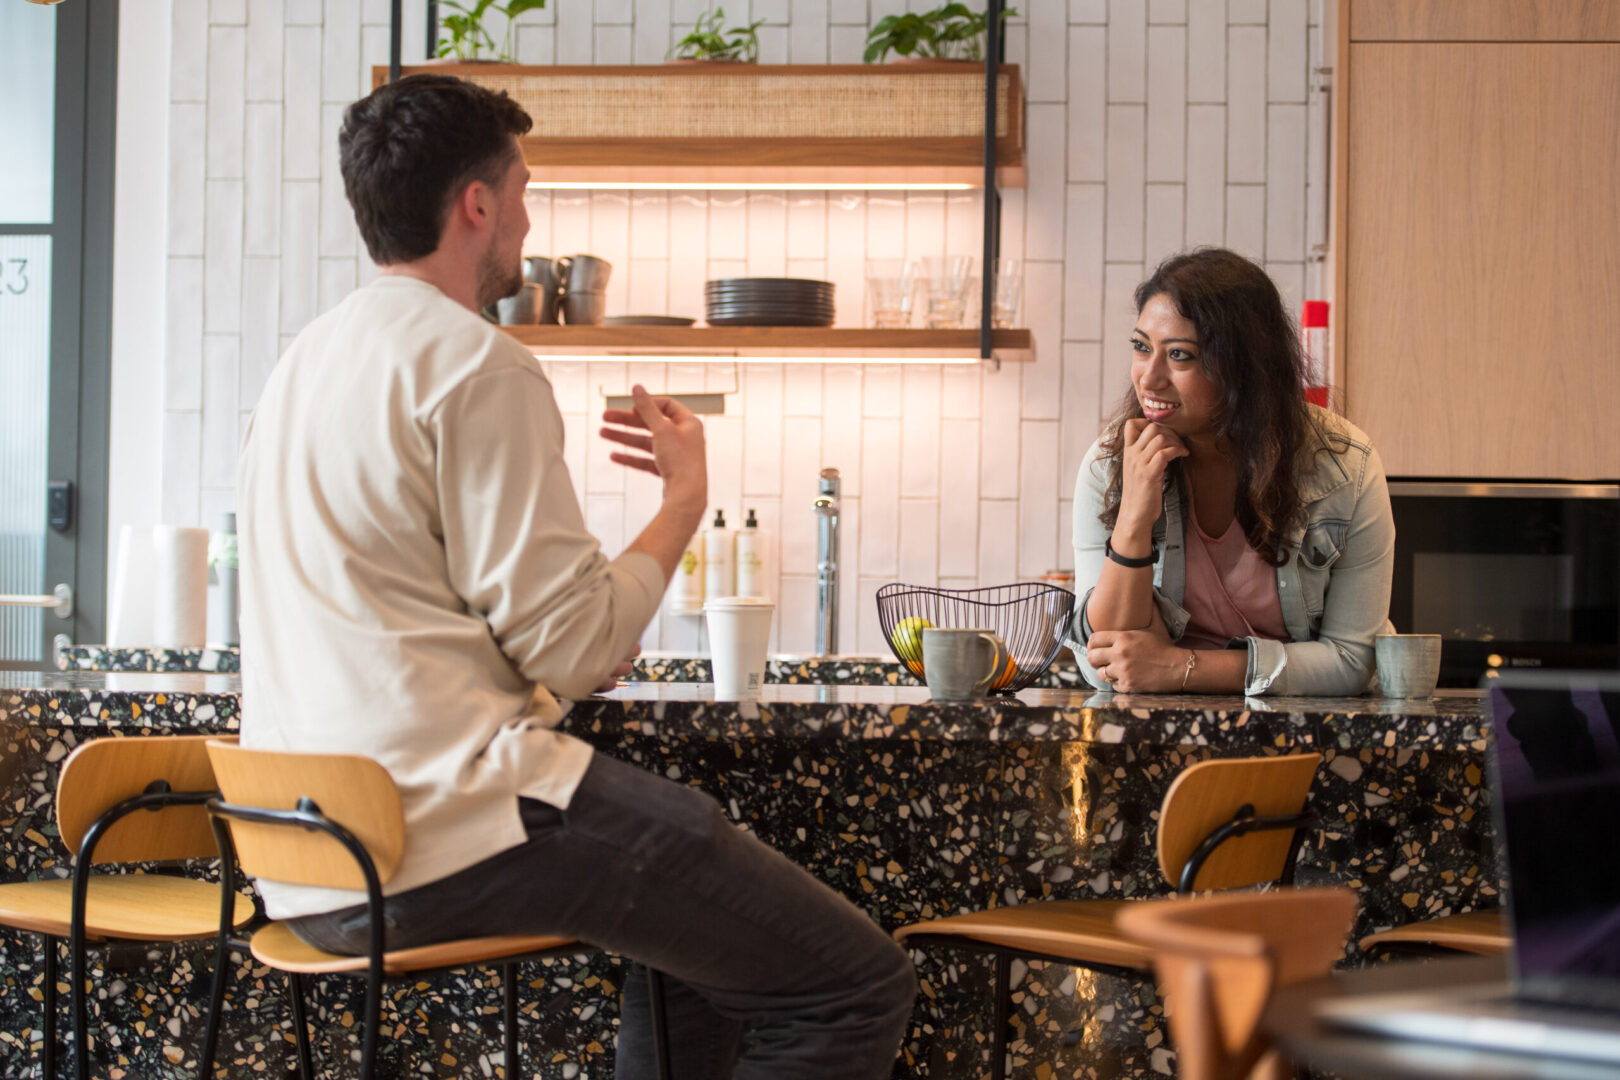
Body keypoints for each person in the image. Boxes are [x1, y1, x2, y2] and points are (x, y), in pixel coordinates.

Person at [236, 74, 915, 1079]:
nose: (524, 219)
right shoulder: (476, 363)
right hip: (444, 830)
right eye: (520, 192)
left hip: (307, 855)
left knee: (692, 950)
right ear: (477, 203)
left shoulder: (301, 364)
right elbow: (578, 641)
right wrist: (685, 498)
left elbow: (441, 619)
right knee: (853, 985)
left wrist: (555, 662)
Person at [1068, 248, 1395, 696]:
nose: (1148, 377)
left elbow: (1351, 660)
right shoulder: (1108, 465)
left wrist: (1180, 667)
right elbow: (1102, 662)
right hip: (1157, 737)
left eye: (1179, 355)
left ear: (1244, 369)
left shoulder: (1345, 466)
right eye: (1142, 347)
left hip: (1305, 737)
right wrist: (1133, 518)